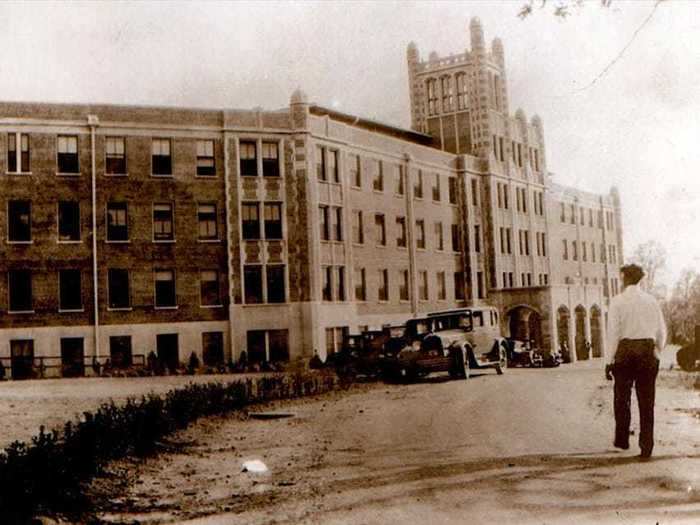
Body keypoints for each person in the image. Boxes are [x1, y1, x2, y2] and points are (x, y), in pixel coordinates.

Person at [605, 264, 666, 459]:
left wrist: (608, 361)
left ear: (623, 278)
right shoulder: (651, 301)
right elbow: (662, 331)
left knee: (622, 398)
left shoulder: (617, 302)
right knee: (647, 401)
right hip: (648, 352)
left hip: (625, 351)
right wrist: (657, 349)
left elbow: (613, 333)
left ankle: (622, 439)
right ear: (640, 279)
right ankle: (646, 446)